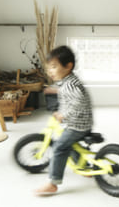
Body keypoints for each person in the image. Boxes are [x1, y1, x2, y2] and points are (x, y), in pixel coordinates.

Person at [35, 45, 93, 196]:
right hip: (81, 123)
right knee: (70, 144)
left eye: (54, 67)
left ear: (68, 66)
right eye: (49, 68)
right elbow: (64, 88)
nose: (50, 71)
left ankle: (53, 183)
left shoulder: (70, 85)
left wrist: (63, 114)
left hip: (76, 125)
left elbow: (78, 101)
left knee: (60, 147)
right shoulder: (67, 80)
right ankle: (85, 168)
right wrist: (54, 89)